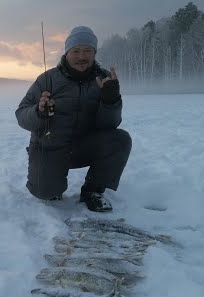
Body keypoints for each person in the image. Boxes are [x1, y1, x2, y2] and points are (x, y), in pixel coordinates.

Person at [15, 26, 132, 212]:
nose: (81, 56)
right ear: (67, 52)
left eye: (87, 51)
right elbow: (21, 115)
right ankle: (49, 178)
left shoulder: (103, 79)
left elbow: (109, 126)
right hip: (51, 147)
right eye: (76, 51)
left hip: (84, 146)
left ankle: (93, 191)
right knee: (46, 193)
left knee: (120, 139)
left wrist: (111, 101)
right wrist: (39, 112)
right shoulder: (48, 79)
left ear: (94, 53)